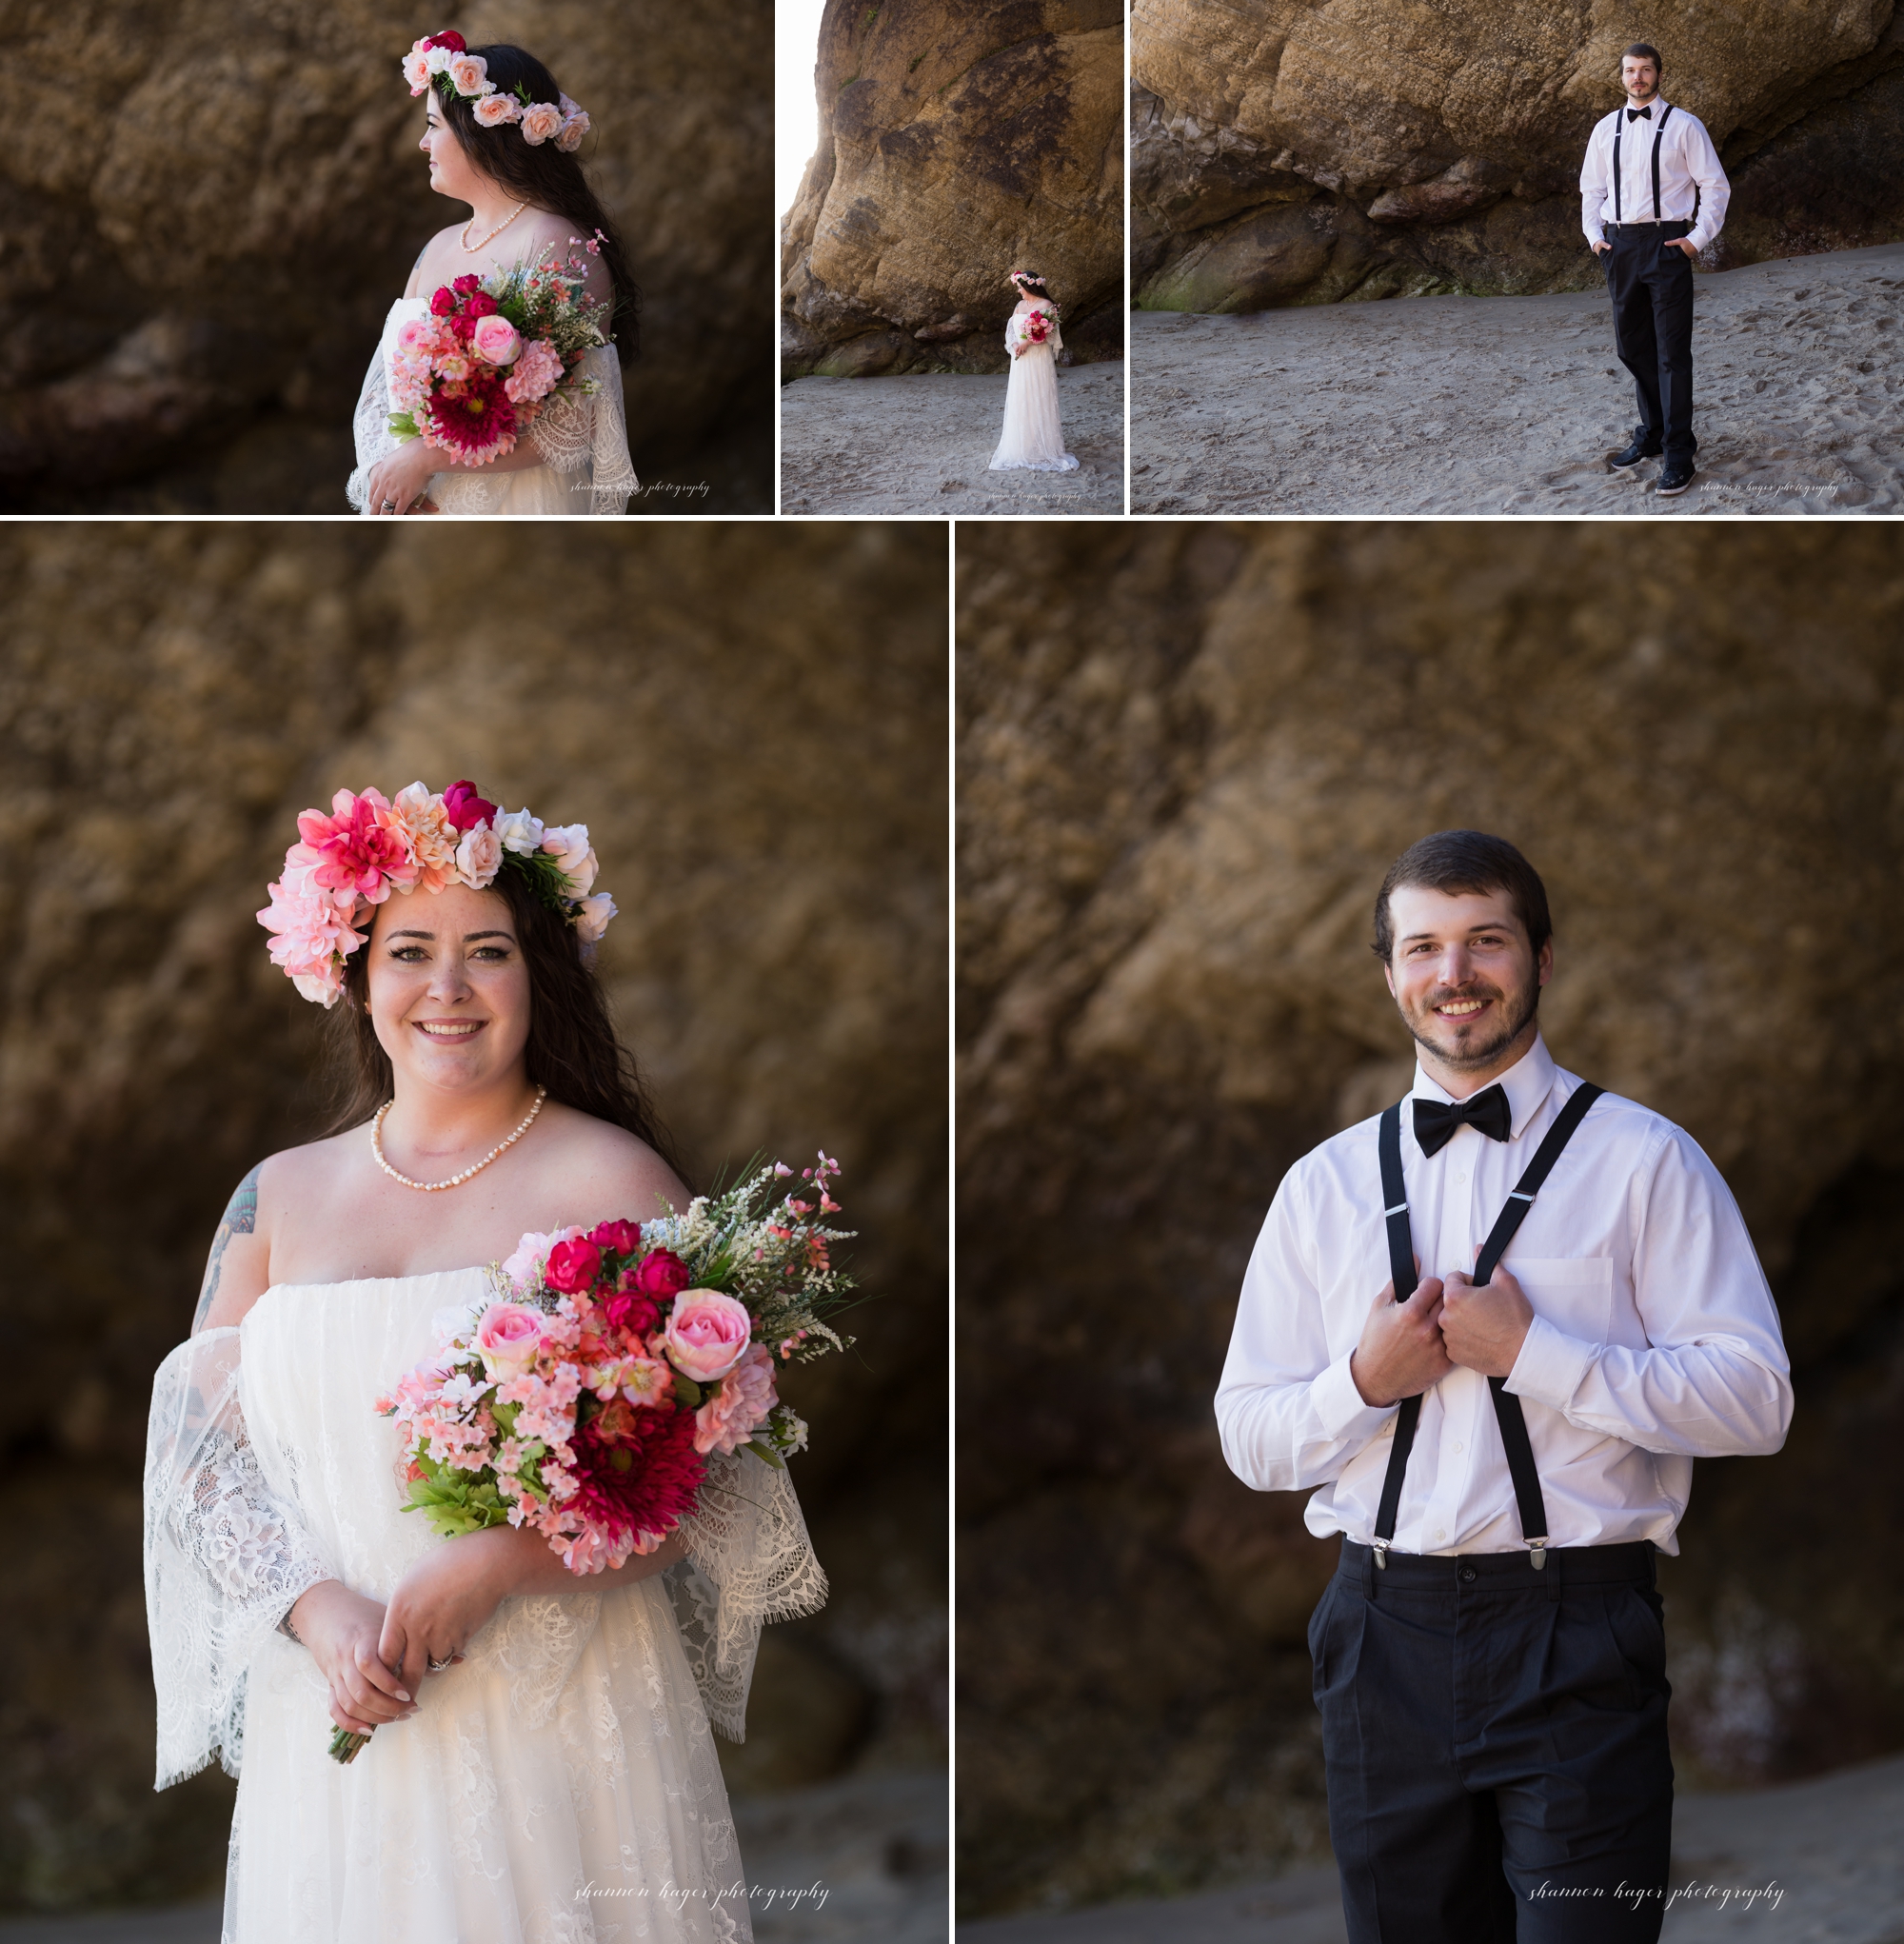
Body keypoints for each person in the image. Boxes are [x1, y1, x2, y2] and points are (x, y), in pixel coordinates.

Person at [144, 780, 823, 1942]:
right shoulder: (276, 1197)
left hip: (565, 1720)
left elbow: (694, 1479)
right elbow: (208, 1466)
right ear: (352, 971)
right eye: (409, 949)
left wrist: (500, 1563)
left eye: (488, 951)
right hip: (340, 1721)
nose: (446, 987)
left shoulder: (618, 1190)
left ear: (537, 974)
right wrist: (316, 1614)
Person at [1216, 829, 1792, 1944]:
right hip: (1380, 1630)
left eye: (1484, 939)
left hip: (1576, 1626)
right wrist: (1361, 1383)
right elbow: (1248, 1434)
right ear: (1387, 972)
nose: (1453, 972)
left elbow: (1754, 1398)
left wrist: (1539, 1356)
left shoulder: (1644, 1159)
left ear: (1538, 957)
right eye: (1422, 945)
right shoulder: (1319, 1187)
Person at [348, 35, 641, 516]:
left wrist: (426, 459)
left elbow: (575, 421)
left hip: (517, 505)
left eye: (433, 125)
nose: (422, 142)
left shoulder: (556, 245)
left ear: (481, 131)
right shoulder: (437, 247)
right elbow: (383, 391)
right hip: (413, 503)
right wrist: (402, 484)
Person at [1580, 43, 1730, 499]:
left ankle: (1679, 451)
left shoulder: (1685, 125)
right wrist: (1596, 238)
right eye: (1630, 71)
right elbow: (1591, 189)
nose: (1638, 78)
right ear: (1621, 76)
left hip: (1667, 246)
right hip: (1620, 246)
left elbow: (1715, 186)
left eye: (1645, 70)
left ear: (1659, 74)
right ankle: (1654, 430)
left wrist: (1694, 241)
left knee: (1671, 353)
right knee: (1632, 346)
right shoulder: (1605, 129)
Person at [988, 270, 1080, 474]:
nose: (1019, 291)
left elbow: (1048, 331)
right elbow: (1011, 327)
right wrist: (1015, 344)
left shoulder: (1046, 305)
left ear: (1030, 286)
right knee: (1021, 396)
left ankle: (1042, 443)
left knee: (1038, 395)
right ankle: (1023, 443)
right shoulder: (1020, 306)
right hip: (1020, 358)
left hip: (1038, 358)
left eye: (1020, 287)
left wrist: (1027, 343)